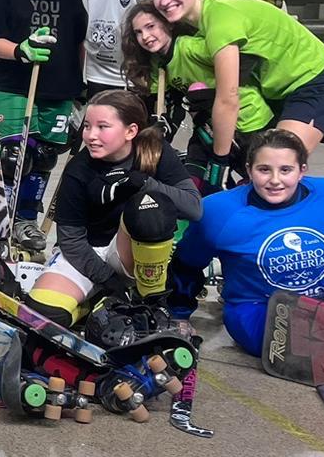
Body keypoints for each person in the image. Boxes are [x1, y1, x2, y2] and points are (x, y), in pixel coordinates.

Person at [168, 129, 324, 357]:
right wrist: (179, 315)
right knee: (314, 349)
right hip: (260, 309)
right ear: (249, 170)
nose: (275, 180)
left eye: (286, 170)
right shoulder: (218, 211)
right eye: (264, 170)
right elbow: (186, 265)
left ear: (302, 171)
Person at [148, 0, 324, 169]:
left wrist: (219, 159)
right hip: (275, 90)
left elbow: (228, 99)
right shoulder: (198, 23)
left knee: (277, 164)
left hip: (313, 82)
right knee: (262, 170)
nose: (164, 1)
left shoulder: (220, 20)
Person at [26, 90, 202, 329]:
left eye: (102, 127)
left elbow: (194, 208)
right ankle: (97, 304)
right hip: (88, 253)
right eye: (87, 126)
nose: (91, 136)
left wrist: (144, 184)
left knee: (149, 207)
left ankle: (151, 302)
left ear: (131, 131)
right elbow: (71, 241)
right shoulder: (78, 169)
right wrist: (109, 281)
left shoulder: (155, 151)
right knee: (43, 314)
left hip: (132, 252)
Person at [0, 0, 87, 247]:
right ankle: (0, 223)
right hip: (14, 83)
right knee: (15, 156)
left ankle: (25, 221)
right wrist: (21, 51)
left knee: (43, 158)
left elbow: (80, 40)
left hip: (60, 87)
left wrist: (83, 89)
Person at [122, 0, 275, 192]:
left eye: (150, 26)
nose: (145, 36)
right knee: (195, 184)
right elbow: (168, 106)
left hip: (249, 123)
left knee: (259, 187)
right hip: (208, 128)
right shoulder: (156, 64)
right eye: (138, 32)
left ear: (168, 23)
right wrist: (160, 129)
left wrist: (217, 93)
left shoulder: (191, 47)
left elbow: (245, 59)